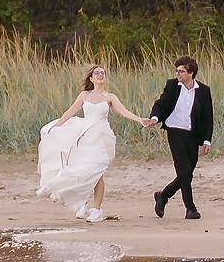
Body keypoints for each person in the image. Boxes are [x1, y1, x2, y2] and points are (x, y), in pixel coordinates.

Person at [36, 65, 153, 222]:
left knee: (97, 172)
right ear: (91, 78)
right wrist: (56, 127)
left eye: (102, 73)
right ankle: (79, 201)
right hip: (86, 136)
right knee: (82, 169)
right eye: (96, 73)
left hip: (102, 138)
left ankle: (96, 210)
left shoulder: (110, 97)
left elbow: (124, 111)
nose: (100, 75)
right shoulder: (84, 95)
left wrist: (140, 120)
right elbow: (69, 112)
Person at [146, 55, 213, 219]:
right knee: (183, 171)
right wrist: (154, 118)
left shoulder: (204, 91)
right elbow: (160, 103)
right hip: (174, 132)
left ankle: (163, 195)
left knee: (187, 173)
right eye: (177, 70)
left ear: (190, 73)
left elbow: (208, 117)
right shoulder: (172, 86)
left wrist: (207, 140)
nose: (178, 73)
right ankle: (191, 209)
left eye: (181, 71)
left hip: (192, 135)